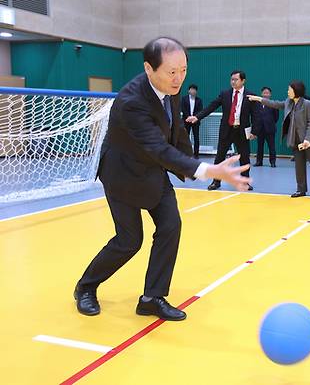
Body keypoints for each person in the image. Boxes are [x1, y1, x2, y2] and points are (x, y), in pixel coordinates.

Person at [74, 37, 251, 321]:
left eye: (183, 70)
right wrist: (205, 169)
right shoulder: (132, 102)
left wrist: (189, 166)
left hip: (151, 170)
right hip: (122, 174)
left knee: (171, 225)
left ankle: (152, 298)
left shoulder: (169, 89)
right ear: (148, 68)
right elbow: (158, 147)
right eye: (172, 71)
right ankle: (86, 287)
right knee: (129, 241)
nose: (179, 77)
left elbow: (176, 131)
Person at [248, 81, 310, 199]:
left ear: (296, 91)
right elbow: (274, 104)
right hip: (296, 141)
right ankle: (301, 190)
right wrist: (258, 99)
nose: (287, 91)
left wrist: (307, 140)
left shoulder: (307, 104)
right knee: (299, 167)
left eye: (289, 89)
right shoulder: (288, 102)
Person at [186, 70, 257, 191]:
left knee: (244, 157)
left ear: (243, 81)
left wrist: (254, 131)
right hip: (226, 130)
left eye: (236, 79)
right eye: (232, 79)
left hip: (241, 131)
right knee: (219, 157)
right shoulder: (225, 94)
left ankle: (245, 181)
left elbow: (256, 115)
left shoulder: (250, 96)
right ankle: (216, 182)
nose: (233, 82)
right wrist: (197, 117)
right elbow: (211, 106)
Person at [253, 86, 279, 167]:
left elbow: (276, 117)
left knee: (272, 146)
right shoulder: (257, 104)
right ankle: (259, 162)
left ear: (270, 94)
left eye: (267, 93)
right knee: (259, 147)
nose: (265, 94)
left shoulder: (273, 104)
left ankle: (273, 162)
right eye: (264, 93)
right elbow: (255, 116)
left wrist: (269, 123)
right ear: (261, 94)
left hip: (270, 129)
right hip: (260, 129)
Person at [182, 84, 203, 158]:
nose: (193, 91)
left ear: (196, 91)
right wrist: (188, 117)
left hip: (195, 121)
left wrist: (194, 117)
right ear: (188, 91)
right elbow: (183, 109)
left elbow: (200, 110)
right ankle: (186, 153)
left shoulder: (199, 100)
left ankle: (196, 154)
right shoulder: (184, 99)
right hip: (186, 121)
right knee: (185, 137)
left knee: (196, 138)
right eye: (191, 89)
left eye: (194, 90)